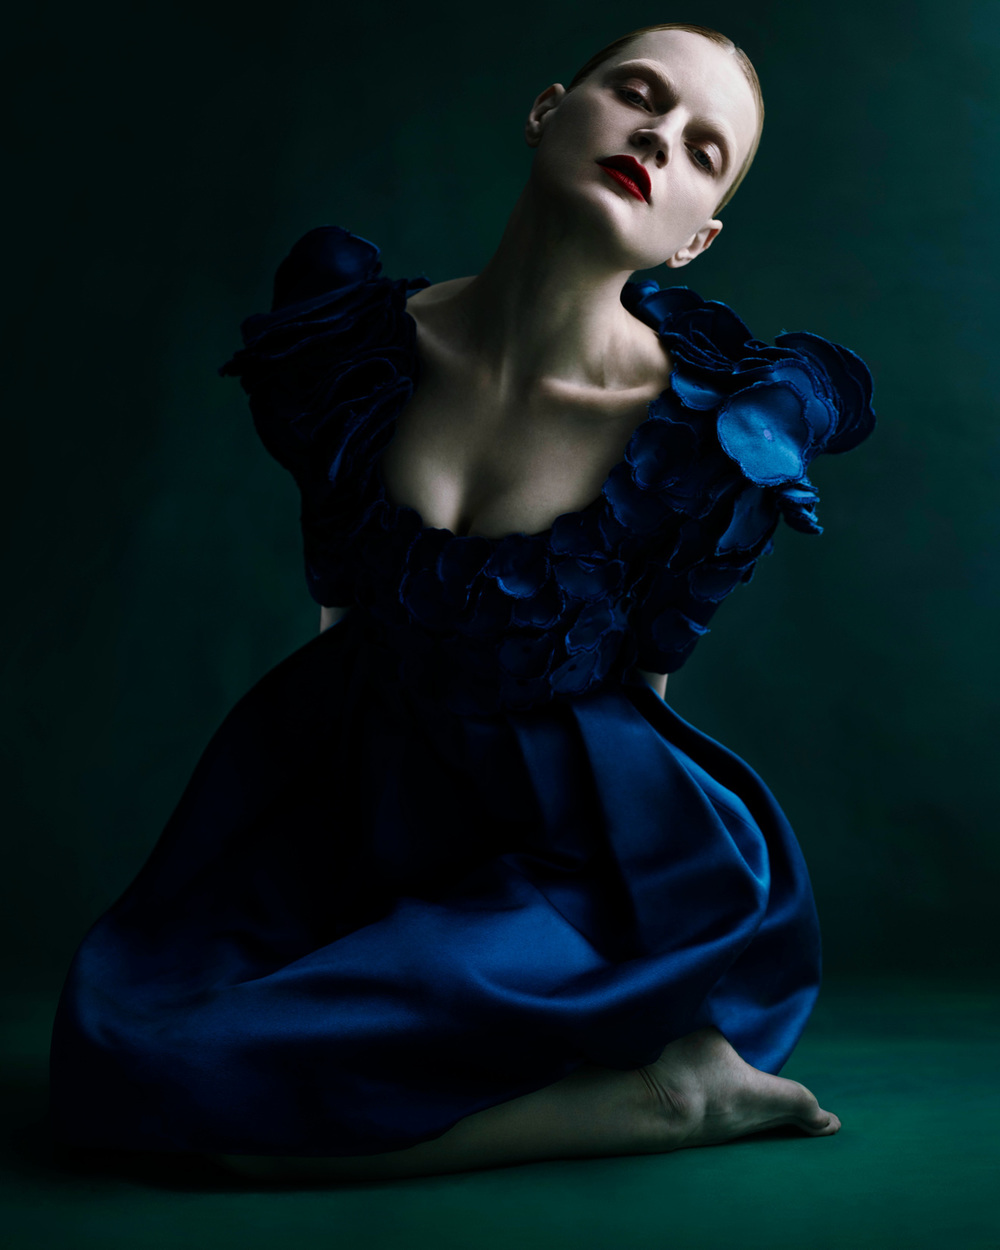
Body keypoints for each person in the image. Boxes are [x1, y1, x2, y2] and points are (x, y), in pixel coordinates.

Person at [48, 23, 876, 1183]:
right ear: (547, 110)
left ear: (697, 238)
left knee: (223, 1109)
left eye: (702, 150)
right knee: (117, 1064)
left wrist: (626, 952)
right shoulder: (347, 348)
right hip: (351, 786)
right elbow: (340, 612)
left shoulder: (710, 437)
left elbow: (647, 686)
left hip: (575, 840)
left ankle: (669, 1095)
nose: (656, 136)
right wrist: (320, 870)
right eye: (637, 94)